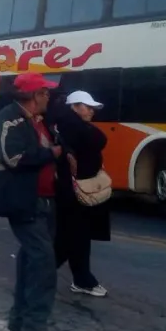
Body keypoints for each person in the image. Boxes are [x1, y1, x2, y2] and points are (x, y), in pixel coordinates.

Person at [0, 72, 63, 331]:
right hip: (21, 201)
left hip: (44, 200)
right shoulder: (9, 120)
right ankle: (35, 324)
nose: (48, 97)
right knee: (43, 261)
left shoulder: (38, 122)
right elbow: (13, 157)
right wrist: (51, 154)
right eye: (44, 92)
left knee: (31, 257)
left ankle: (18, 318)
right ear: (32, 96)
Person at [52, 90, 110, 298]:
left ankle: (81, 278)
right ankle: (38, 274)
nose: (92, 111)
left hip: (76, 190)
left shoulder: (69, 125)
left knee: (76, 237)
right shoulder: (70, 125)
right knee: (71, 238)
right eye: (87, 107)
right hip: (73, 192)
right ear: (74, 107)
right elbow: (99, 139)